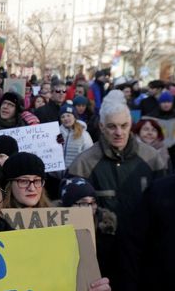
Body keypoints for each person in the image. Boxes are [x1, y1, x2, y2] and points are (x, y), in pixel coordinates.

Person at [68, 90, 166, 231]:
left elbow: (164, 206)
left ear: (131, 124)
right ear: (101, 127)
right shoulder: (83, 163)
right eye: (112, 126)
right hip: (102, 246)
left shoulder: (152, 157)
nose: (119, 133)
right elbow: (75, 216)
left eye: (124, 125)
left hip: (144, 245)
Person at [59, 102, 94, 169]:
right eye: (63, 117)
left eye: (68, 115)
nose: (66, 118)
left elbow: (89, 155)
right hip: (56, 176)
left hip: (76, 173)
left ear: (74, 117)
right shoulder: (57, 133)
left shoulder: (84, 135)